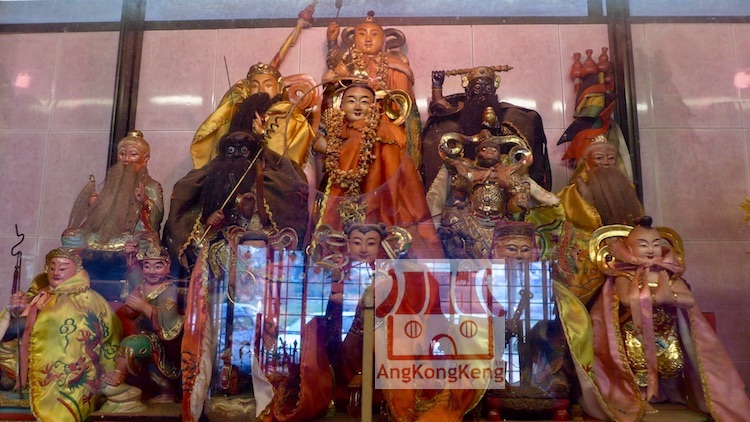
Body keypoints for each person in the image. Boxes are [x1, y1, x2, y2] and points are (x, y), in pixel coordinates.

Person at [579, 217, 750, 421]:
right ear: (629, 248)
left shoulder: (668, 275)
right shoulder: (624, 276)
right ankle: (641, 397)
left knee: (672, 363)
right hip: (635, 331)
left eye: (655, 244)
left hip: (666, 331)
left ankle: (673, 393)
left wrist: (670, 297)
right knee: (638, 364)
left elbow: (688, 299)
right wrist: (652, 298)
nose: (651, 250)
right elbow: (625, 299)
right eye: (643, 245)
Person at [313, 83, 442, 258]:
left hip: (374, 198)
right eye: (351, 101)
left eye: (364, 101)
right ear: (341, 105)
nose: (357, 106)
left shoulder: (381, 132)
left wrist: (328, 149)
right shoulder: (339, 129)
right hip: (347, 197)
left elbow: (379, 170)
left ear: (375, 106)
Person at [190, 4, 319, 171]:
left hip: (268, 180)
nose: (261, 90)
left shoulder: (292, 120)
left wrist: (261, 136)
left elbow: (288, 166)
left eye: (268, 85)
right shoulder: (237, 113)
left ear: (279, 88)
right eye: (255, 85)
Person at [0, 248, 121, 422]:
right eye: (52, 267)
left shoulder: (87, 301)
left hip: (69, 375)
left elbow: (109, 337)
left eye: (63, 268)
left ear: (76, 270)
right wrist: (16, 310)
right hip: (26, 367)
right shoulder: (39, 295)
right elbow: (15, 331)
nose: (56, 272)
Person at [423, 66, 552, 194]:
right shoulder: (457, 118)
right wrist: (437, 88)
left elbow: (519, 144)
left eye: (488, 89)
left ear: (494, 90)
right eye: (478, 88)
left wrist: (499, 128)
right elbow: (440, 111)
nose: (483, 93)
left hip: (502, 181)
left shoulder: (510, 116)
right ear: (468, 91)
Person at [323, 11, 422, 170]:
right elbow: (332, 103)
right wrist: (330, 83)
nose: (368, 39)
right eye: (362, 34)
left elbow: (401, 108)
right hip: (349, 127)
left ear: (383, 41)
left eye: (374, 34)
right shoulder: (347, 63)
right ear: (354, 40)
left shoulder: (396, 67)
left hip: (385, 125)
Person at [100, 242, 183, 413]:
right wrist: (130, 254)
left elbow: (169, 320)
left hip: (160, 342)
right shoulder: (142, 283)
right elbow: (133, 272)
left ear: (168, 267)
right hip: (141, 334)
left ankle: (119, 376)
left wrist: (144, 307)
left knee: (131, 344)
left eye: (158, 266)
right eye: (147, 266)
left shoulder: (168, 291)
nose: (152, 271)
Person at [62, 130, 164, 251]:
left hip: (131, 236)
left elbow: (157, 218)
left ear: (145, 159)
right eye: (122, 154)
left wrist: (144, 201)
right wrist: (94, 205)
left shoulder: (151, 186)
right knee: (69, 235)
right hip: (104, 235)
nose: (126, 159)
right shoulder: (111, 184)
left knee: (145, 241)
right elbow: (97, 220)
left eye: (133, 154)